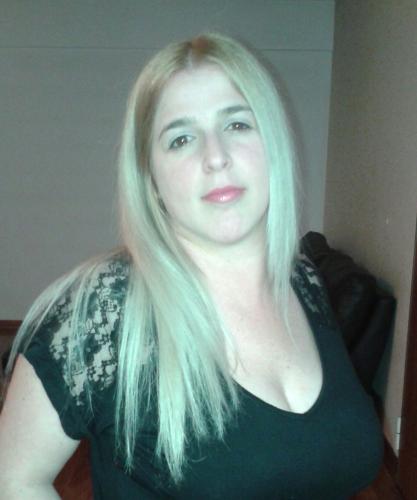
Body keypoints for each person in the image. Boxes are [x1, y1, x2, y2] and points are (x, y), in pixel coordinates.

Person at [0, 32, 383, 499]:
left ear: (274, 142)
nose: (215, 156)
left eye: (237, 124)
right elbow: (13, 478)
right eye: (181, 138)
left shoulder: (301, 279)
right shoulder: (104, 309)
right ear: (150, 177)